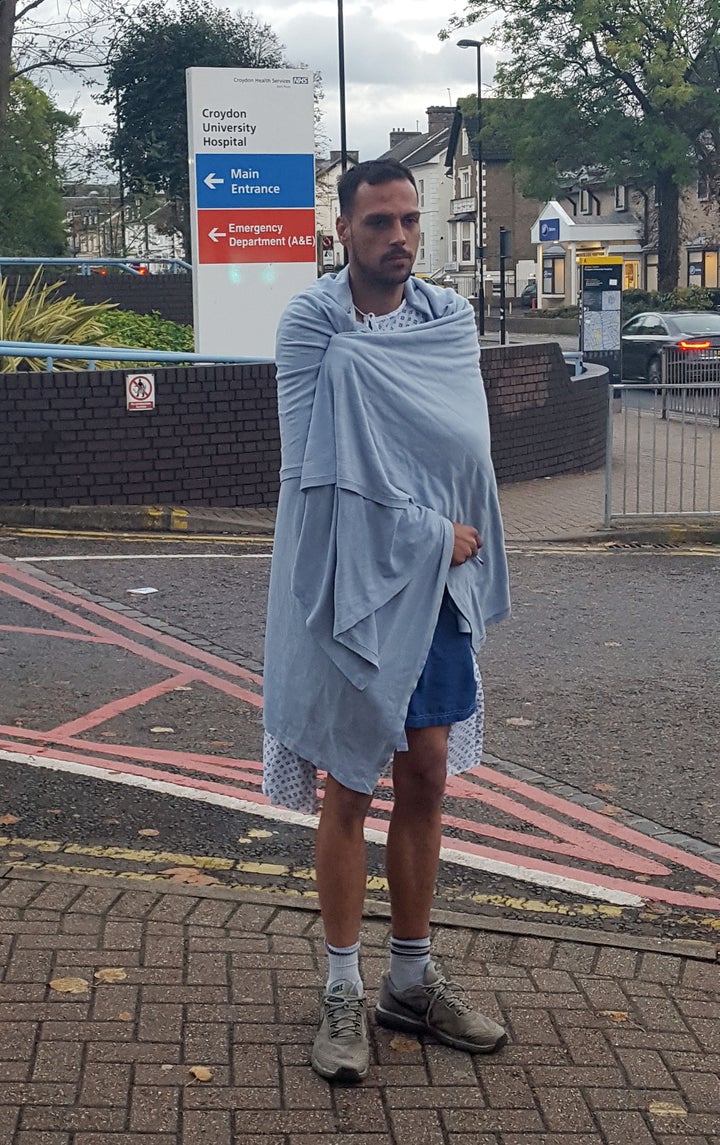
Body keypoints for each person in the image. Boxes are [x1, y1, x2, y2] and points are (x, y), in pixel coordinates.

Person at [262, 158, 511, 1083]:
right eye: (379, 223)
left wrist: (419, 514)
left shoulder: (447, 321)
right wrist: (422, 527)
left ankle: (410, 980)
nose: (399, 237)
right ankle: (340, 985)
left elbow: (461, 448)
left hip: (434, 583)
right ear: (343, 232)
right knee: (350, 784)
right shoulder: (313, 322)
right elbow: (313, 475)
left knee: (428, 771)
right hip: (345, 582)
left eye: (410, 221)